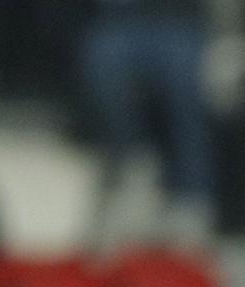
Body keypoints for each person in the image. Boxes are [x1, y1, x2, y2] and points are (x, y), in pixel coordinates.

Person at [81, 0, 217, 243]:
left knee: (187, 83)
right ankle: (130, 168)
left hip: (181, 22)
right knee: (104, 63)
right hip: (120, 20)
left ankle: (192, 195)